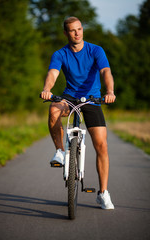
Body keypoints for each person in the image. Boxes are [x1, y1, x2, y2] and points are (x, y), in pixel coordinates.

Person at [41, 16, 116, 210]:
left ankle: (103, 193)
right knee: (53, 110)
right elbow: (53, 73)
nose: (77, 33)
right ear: (66, 33)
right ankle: (59, 151)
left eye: (80, 29)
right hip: (69, 97)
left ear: (82, 29)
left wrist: (109, 92)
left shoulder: (95, 50)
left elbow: (105, 71)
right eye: (73, 30)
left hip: (92, 99)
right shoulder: (60, 54)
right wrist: (47, 89)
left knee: (101, 145)